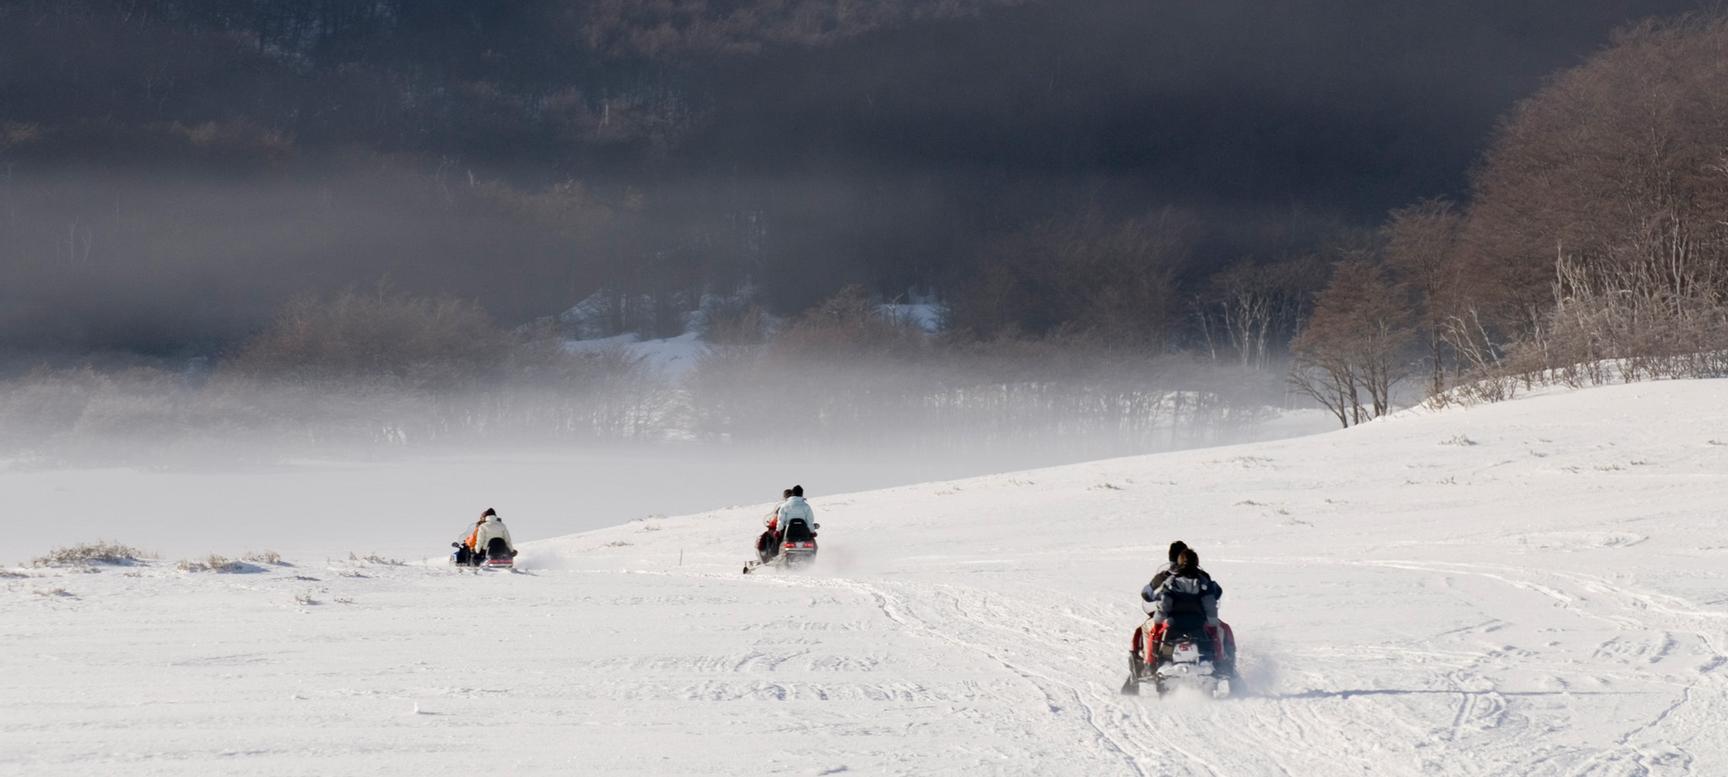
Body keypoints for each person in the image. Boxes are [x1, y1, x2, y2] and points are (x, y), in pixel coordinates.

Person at [1148, 549, 1233, 671]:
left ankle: (1151, 664)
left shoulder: (1171, 582)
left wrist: (1157, 622)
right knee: (1213, 640)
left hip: (1174, 624)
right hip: (1198, 625)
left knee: (1156, 638)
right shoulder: (1204, 582)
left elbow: (1164, 605)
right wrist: (1212, 624)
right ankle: (1219, 664)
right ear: (1196, 562)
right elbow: (1210, 605)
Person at [758, 488, 794, 563]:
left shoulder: (783, 507)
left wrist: (774, 524)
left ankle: (770, 554)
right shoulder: (800, 505)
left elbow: (779, 519)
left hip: (785, 529)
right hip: (797, 530)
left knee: (769, 535)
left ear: (785, 497)